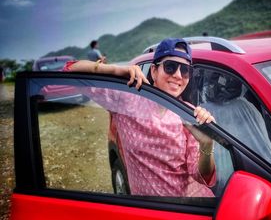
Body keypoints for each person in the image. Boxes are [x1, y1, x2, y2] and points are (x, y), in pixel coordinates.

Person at [64, 38, 216, 197]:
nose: (178, 75)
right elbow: (69, 70)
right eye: (170, 67)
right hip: (147, 209)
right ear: (154, 71)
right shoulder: (126, 99)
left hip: (187, 208)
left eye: (185, 70)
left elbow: (201, 176)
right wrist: (117, 71)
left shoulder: (189, 114)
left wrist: (207, 145)